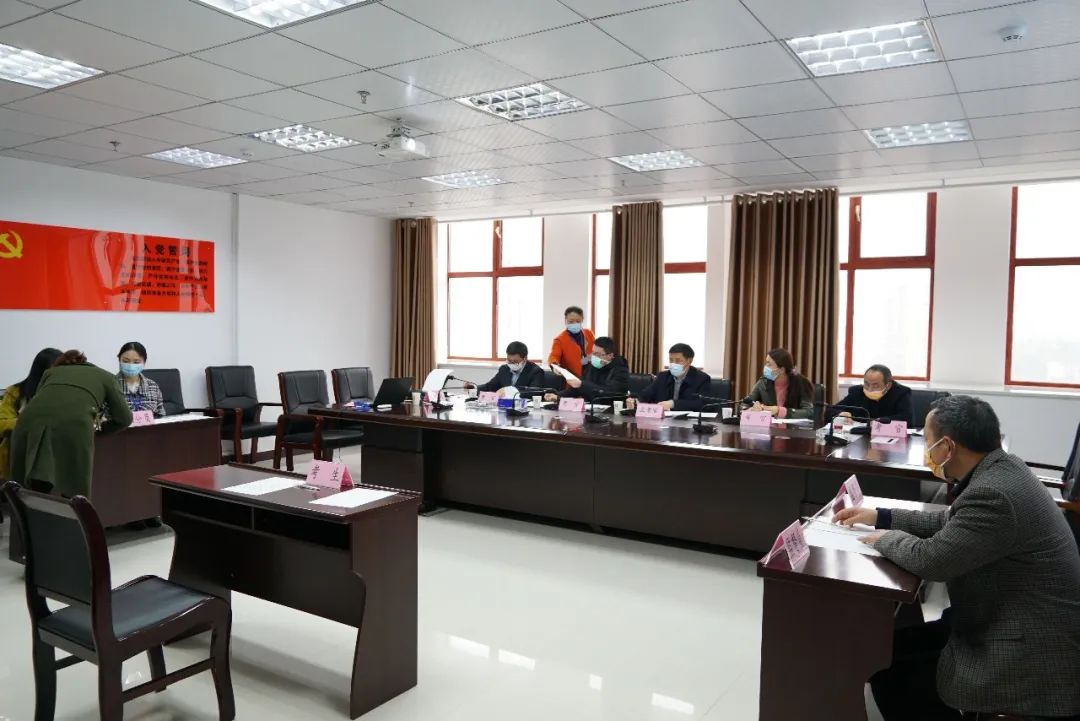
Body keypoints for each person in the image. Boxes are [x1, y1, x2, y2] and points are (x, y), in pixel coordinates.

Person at [836, 395, 1080, 721]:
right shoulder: (1003, 469)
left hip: (1026, 653)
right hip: (1007, 618)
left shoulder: (993, 493)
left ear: (948, 446)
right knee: (888, 649)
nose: (927, 450)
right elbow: (949, 521)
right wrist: (881, 516)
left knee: (891, 678)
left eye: (928, 441)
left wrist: (885, 538)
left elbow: (932, 561)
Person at [9, 349, 133, 497]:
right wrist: (101, 429)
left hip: (26, 423)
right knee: (74, 487)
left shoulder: (50, 373)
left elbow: (43, 404)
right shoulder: (107, 377)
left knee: (30, 483)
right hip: (74, 426)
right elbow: (125, 418)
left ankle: (30, 510)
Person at [0, 348, 62, 479]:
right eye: (55, 369)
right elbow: (2, 423)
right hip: (16, 460)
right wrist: (32, 423)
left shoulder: (66, 393)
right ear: (41, 371)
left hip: (54, 462)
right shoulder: (15, 392)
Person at [545, 336, 628, 403]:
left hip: (611, 411)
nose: (594, 357)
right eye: (593, 353)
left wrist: (582, 384)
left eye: (597, 354)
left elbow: (609, 392)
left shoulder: (620, 369)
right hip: (590, 409)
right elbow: (577, 388)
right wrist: (558, 396)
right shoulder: (592, 366)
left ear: (610, 356)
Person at [632, 343, 711, 411]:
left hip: (688, 421)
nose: (673, 364)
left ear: (689, 361)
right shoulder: (663, 377)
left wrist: (673, 404)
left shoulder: (702, 379)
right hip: (663, 421)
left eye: (678, 360)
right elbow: (646, 394)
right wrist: (636, 401)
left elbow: (702, 404)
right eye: (671, 360)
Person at [828, 364, 913, 425]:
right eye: (867, 384)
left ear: (888, 386)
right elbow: (829, 410)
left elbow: (908, 419)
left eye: (875, 386)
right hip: (860, 438)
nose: (870, 389)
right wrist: (840, 413)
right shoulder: (857, 392)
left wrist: (881, 421)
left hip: (890, 439)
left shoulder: (901, 393)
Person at [742, 348, 814, 419]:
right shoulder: (764, 382)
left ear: (781, 370)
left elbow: (809, 412)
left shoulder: (802, 383)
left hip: (794, 426)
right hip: (770, 425)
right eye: (766, 363)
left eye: (769, 364)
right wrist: (752, 409)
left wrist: (779, 410)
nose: (765, 367)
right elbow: (744, 404)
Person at [469, 341, 545, 397]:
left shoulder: (536, 371)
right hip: (504, 407)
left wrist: (509, 391)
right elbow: (490, 386)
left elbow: (534, 392)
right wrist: (474, 388)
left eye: (515, 361)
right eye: (509, 360)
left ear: (524, 358)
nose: (511, 364)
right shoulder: (504, 369)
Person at [116, 341, 165, 417]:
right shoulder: (110, 385)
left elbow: (161, 415)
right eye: (125, 361)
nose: (130, 365)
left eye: (136, 362)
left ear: (144, 363)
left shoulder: (153, 386)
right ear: (119, 360)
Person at [547, 305, 594, 382]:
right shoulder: (559, 340)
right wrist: (554, 366)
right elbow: (554, 356)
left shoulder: (589, 333)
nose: (574, 324)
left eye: (578, 321)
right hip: (573, 378)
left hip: (591, 375)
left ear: (582, 319)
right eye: (571, 321)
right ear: (565, 320)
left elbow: (595, 350)